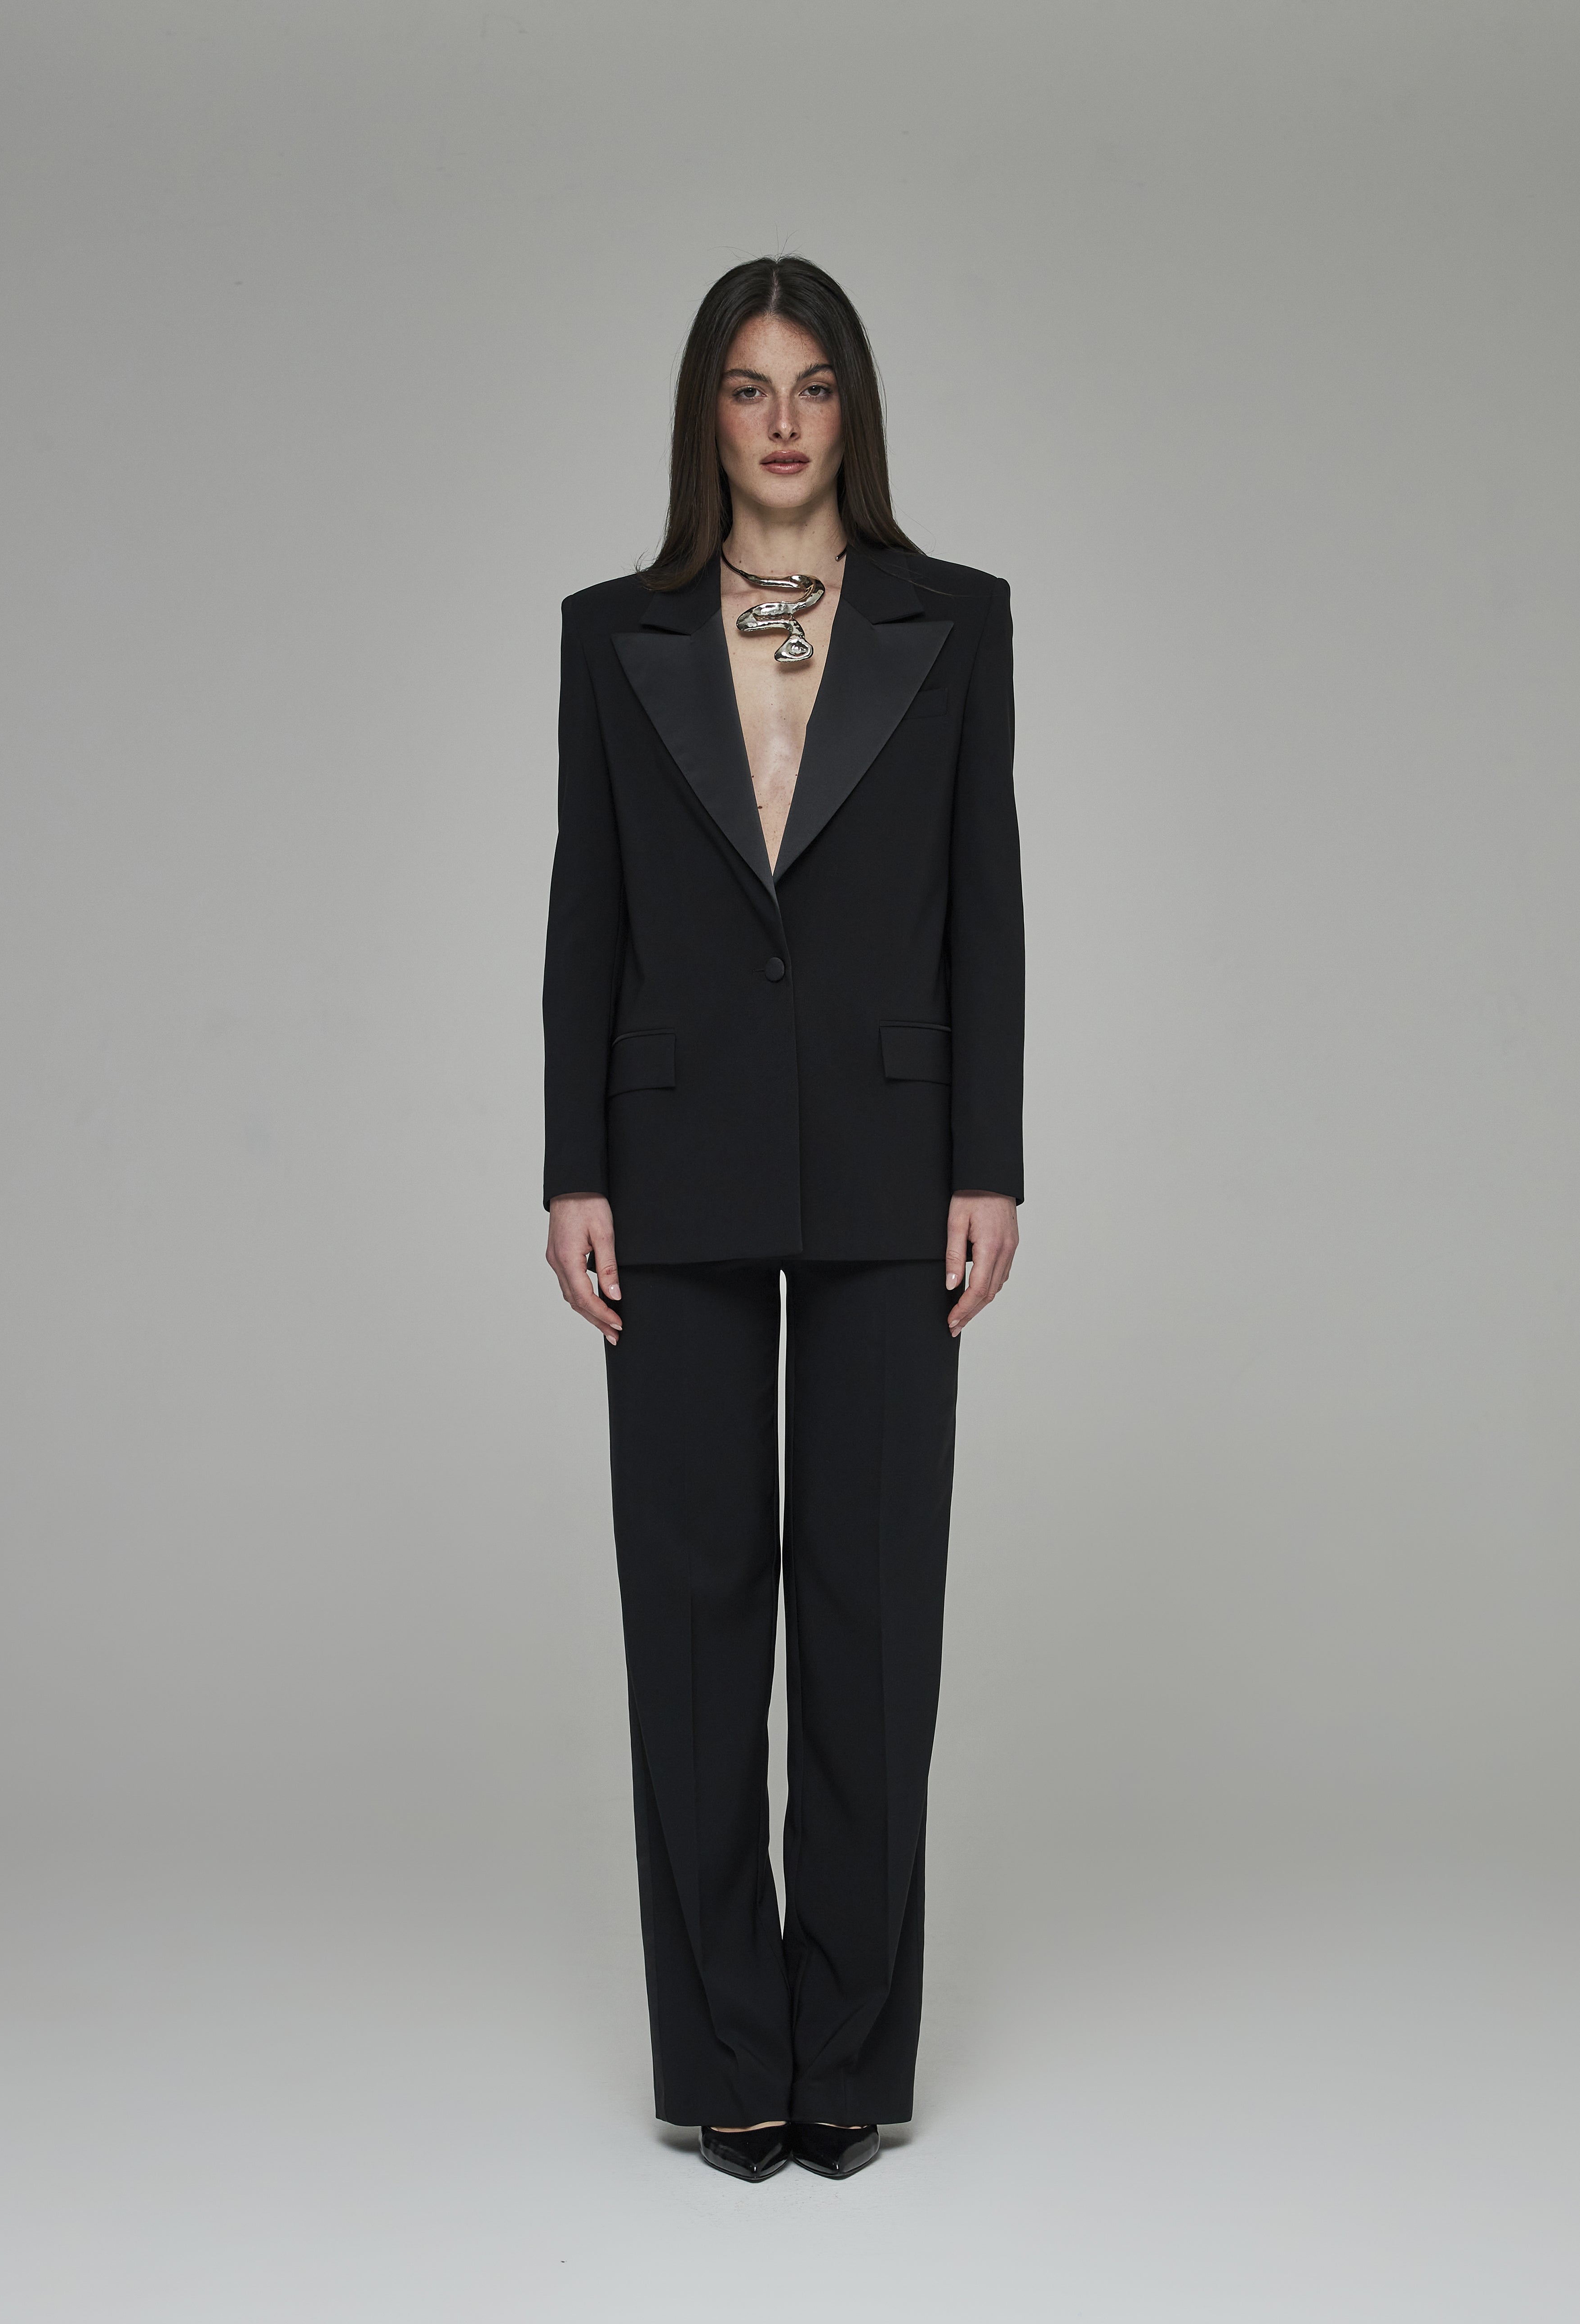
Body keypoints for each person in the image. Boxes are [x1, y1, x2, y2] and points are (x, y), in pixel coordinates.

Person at [542, 256, 1024, 2182]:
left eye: (813, 385)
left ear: (853, 409)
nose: (783, 421)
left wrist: (990, 1161)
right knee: (689, 1610)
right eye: (748, 388)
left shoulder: (955, 617)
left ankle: (849, 2052)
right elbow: (586, 907)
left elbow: (985, 902)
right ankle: (730, 2049)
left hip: (898, 1159)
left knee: (872, 1606)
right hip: (668, 1160)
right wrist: (571, 1169)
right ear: (707, 415)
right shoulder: (611, 633)